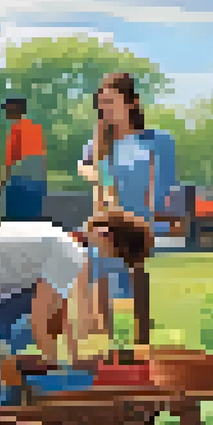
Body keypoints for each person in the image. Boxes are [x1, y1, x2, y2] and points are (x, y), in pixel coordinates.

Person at [0, 210, 155, 408]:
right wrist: (57, 368)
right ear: (103, 235)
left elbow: (58, 314)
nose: (110, 264)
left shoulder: (53, 237)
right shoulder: (69, 254)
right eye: (115, 257)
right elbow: (40, 322)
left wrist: (70, 352)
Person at [75, 73, 174, 330]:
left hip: (137, 218)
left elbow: (162, 182)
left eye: (110, 101)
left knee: (135, 274)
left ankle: (141, 333)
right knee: (100, 272)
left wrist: (151, 216)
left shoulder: (156, 140)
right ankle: (102, 332)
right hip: (105, 219)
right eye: (102, 103)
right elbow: (84, 166)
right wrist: (95, 175)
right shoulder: (98, 143)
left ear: (132, 102)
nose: (105, 109)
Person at [0, 97, 48, 222]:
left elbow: (10, 162)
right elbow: (41, 160)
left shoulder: (16, 129)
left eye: (7, 109)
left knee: (14, 222)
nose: (5, 113)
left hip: (20, 184)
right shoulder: (36, 129)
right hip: (37, 183)